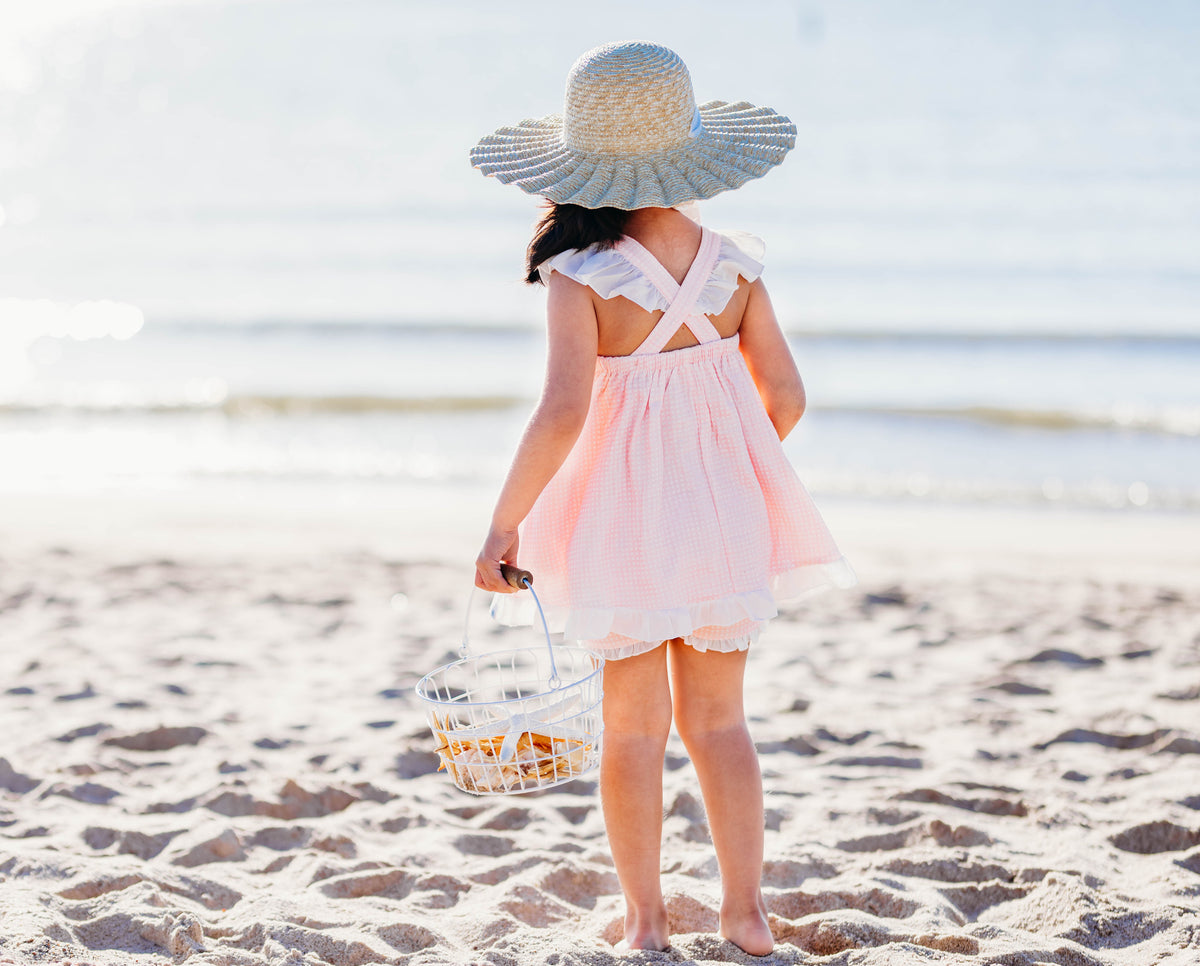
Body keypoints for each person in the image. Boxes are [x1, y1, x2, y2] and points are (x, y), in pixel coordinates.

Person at [469, 40, 855, 955]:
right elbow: (787, 398)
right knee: (722, 722)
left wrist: (504, 521)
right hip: (724, 524)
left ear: (583, 163)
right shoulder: (734, 264)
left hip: (625, 529)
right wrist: (722, 468)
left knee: (631, 732)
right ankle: (745, 915)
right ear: (686, 154)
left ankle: (645, 923)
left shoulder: (583, 276)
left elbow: (562, 413)